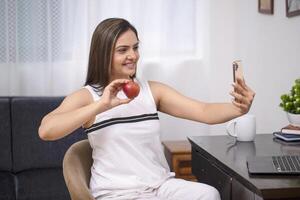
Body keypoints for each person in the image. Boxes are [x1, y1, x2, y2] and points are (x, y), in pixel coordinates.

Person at [39, 18, 255, 200]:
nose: (133, 55)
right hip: (117, 193)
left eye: (135, 47)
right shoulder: (88, 96)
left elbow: (204, 111)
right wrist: (101, 105)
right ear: (103, 55)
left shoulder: (152, 90)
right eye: (123, 50)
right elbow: (47, 130)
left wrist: (239, 109)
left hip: (160, 187)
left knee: (208, 194)